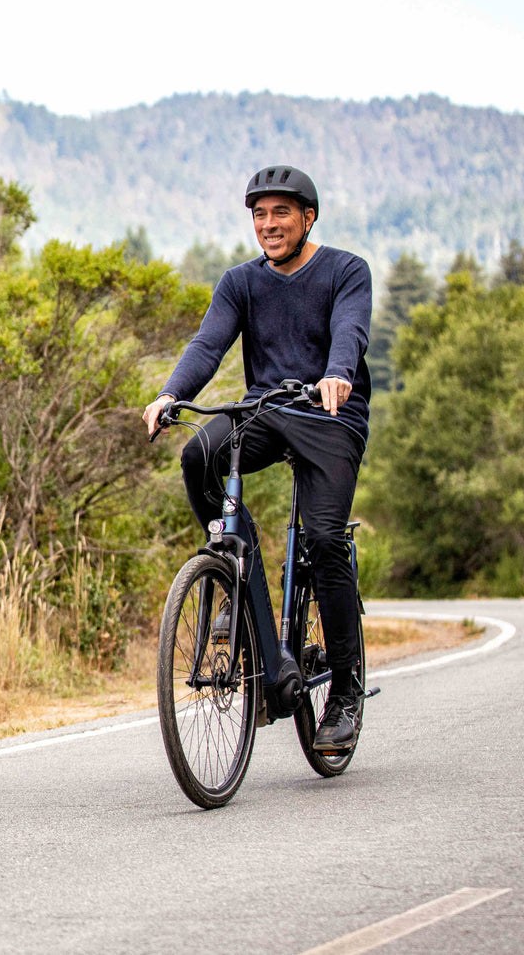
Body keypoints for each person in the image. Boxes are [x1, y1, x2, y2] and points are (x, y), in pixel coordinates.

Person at [142, 165, 371, 754]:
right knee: (199, 456)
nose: (268, 225)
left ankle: (343, 694)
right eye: (259, 215)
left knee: (324, 540)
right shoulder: (241, 282)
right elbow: (209, 343)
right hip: (265, 410)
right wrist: (171, 393)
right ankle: (238, 571)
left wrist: (338, 376)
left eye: (281, 214)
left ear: (308, 217)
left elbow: (350, 331)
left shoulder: (346, 271)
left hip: (330, 416)